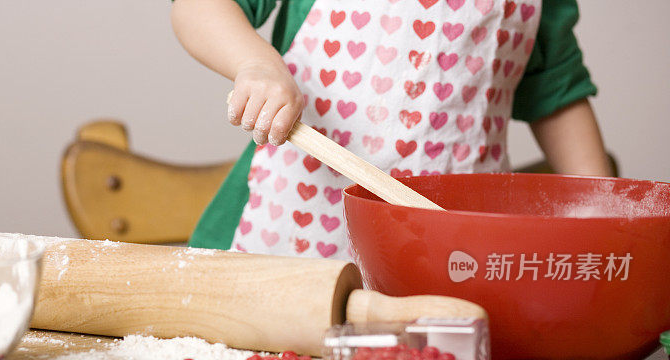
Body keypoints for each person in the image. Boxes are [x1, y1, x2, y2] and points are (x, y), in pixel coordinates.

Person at [172, 0, 612, 260]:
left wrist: (605, 224)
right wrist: (257, 64)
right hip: (284, 239)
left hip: (451, 252)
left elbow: (557, 94)